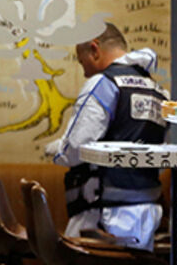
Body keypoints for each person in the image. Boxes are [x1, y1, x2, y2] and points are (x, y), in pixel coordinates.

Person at [43, 23, 167, 251]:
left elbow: (76, 149)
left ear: (94, 49)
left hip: (104, 213)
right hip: (147, 211)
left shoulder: (103, 84)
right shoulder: (156, 90)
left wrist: (53, 150)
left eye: (83, 62)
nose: (85, 72)